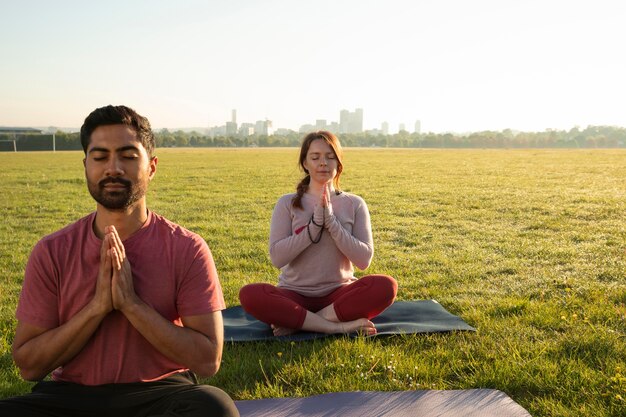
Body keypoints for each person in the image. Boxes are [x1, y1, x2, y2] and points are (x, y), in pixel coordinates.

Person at [0, 105, 239, 417]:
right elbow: (30, 366)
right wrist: (98, 307)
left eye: (127, 156)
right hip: (71, 397)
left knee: (213, 407)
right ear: (86, 165)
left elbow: (208, 360)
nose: (113, 168)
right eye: (100, 157)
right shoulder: (52, 250)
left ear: (151, 166)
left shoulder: (187, 248)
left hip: (159, 395)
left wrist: (131, 305)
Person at [239, 131, 397, 336]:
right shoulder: (287, 203)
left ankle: (301, 322)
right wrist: (313, 226)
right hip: (294, 294)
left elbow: (364, 259)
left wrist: (332, 222)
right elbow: (277, 258)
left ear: (338, 164)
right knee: (251, 294)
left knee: (385, 286)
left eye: (330, 157)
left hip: (339, 295)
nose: (323, 163)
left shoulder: (354, 203)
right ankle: (335, 326)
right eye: (315, 157)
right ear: (305, 163)